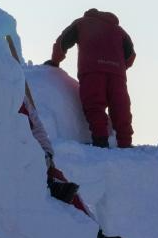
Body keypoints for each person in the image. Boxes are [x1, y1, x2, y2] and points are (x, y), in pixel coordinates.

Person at [18, 93, 125, 238]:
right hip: (15, 158)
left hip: (35, 157)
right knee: (50, 185)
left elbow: (37, 126)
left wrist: (47, 152)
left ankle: (95, 235)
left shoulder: (20, 93)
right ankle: (53, 191)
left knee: (59, 179)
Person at [46, 9, 136, 148]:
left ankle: (100, 141)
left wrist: (55, 61)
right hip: (117, 74)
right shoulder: (120, 31)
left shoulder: (82, 23)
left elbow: (63, 42)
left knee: (94, 104)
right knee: (120, 106)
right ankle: (125, 143)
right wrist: (117, 67)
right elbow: (130, 56)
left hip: (92, 71)